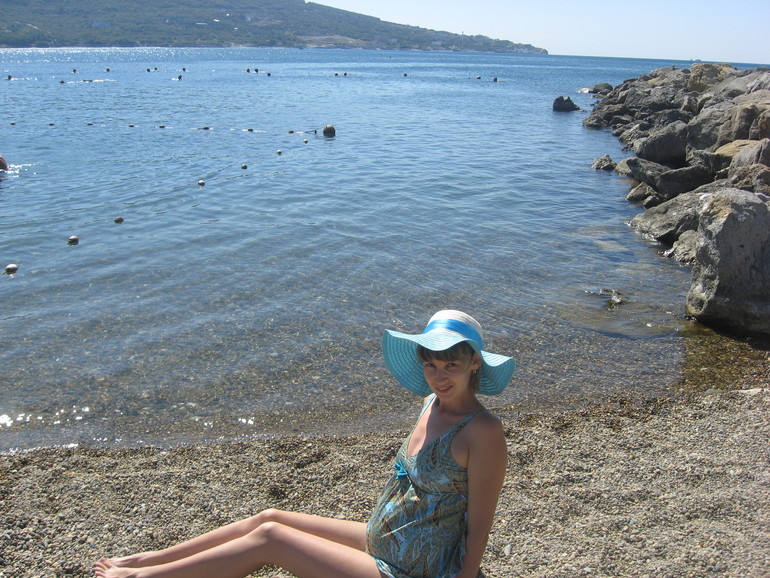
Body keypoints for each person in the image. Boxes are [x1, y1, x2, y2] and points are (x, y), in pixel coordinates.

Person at [95, 310, 516, 578]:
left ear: (474, 363)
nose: (439, 376)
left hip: (410, 570)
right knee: (268, 516)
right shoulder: (429, 404)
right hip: (383, 537)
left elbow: (479, 523)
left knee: (271, 538)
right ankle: (150, 559)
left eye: (451, 365)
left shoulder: (482, 432)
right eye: (431, 364)